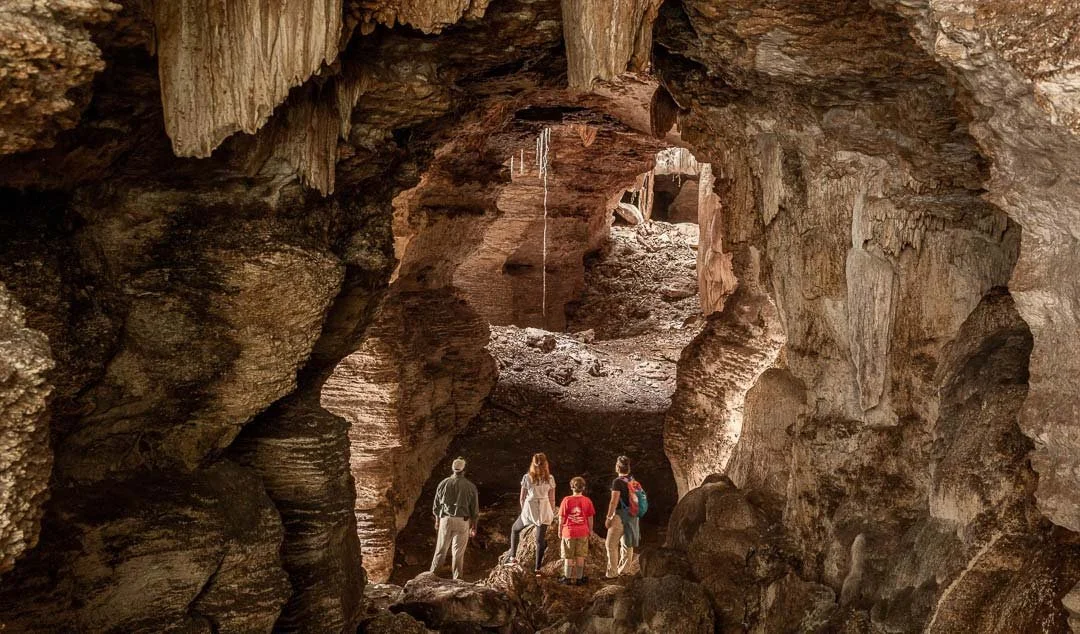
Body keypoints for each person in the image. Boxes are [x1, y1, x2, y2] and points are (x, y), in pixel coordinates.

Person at [430, 457, 480, 580]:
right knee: (458, 553)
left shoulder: (443, 483)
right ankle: (457, 579)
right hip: (462, 521)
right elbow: (474, 510)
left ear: (452, 469)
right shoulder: (470, 486)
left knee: (440, 550)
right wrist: (474, 526)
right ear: (464, 470)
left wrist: (437, 521)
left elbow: (436, 506)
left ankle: (431, 577)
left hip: (445, 520)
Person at [507, 453, 556, 575]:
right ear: (546, 464)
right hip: (544, 507)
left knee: (515, 529)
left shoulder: (527, 477)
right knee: (539, 540)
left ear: (532, 464)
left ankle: (513, 557)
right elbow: (552, 499)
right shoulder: (550, 478)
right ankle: (537, 569)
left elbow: (522, 498)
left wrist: (524, 511)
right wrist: (552, 512)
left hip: (530, 507)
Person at [604, 455, 640, 578]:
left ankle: (612, 573)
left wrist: (609, 517)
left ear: (617, 467)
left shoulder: (617, 482)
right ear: (628, 468)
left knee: (610, 544)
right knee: (627, 543)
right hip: (633, 515)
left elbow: (614, 501)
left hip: (620, 515)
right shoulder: (633, 480)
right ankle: (625, 570)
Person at [558, 476, 595, 585]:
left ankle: (567, 578)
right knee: (580, 556)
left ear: (572, 487)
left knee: (568, 556)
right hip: (583, 531)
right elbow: (590, 518)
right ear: (583, 488)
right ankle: (579, 579)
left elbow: (561, 517)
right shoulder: (587, 501)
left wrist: (559, 530)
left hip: (568, 532)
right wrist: (590, 530)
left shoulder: (566, 500)